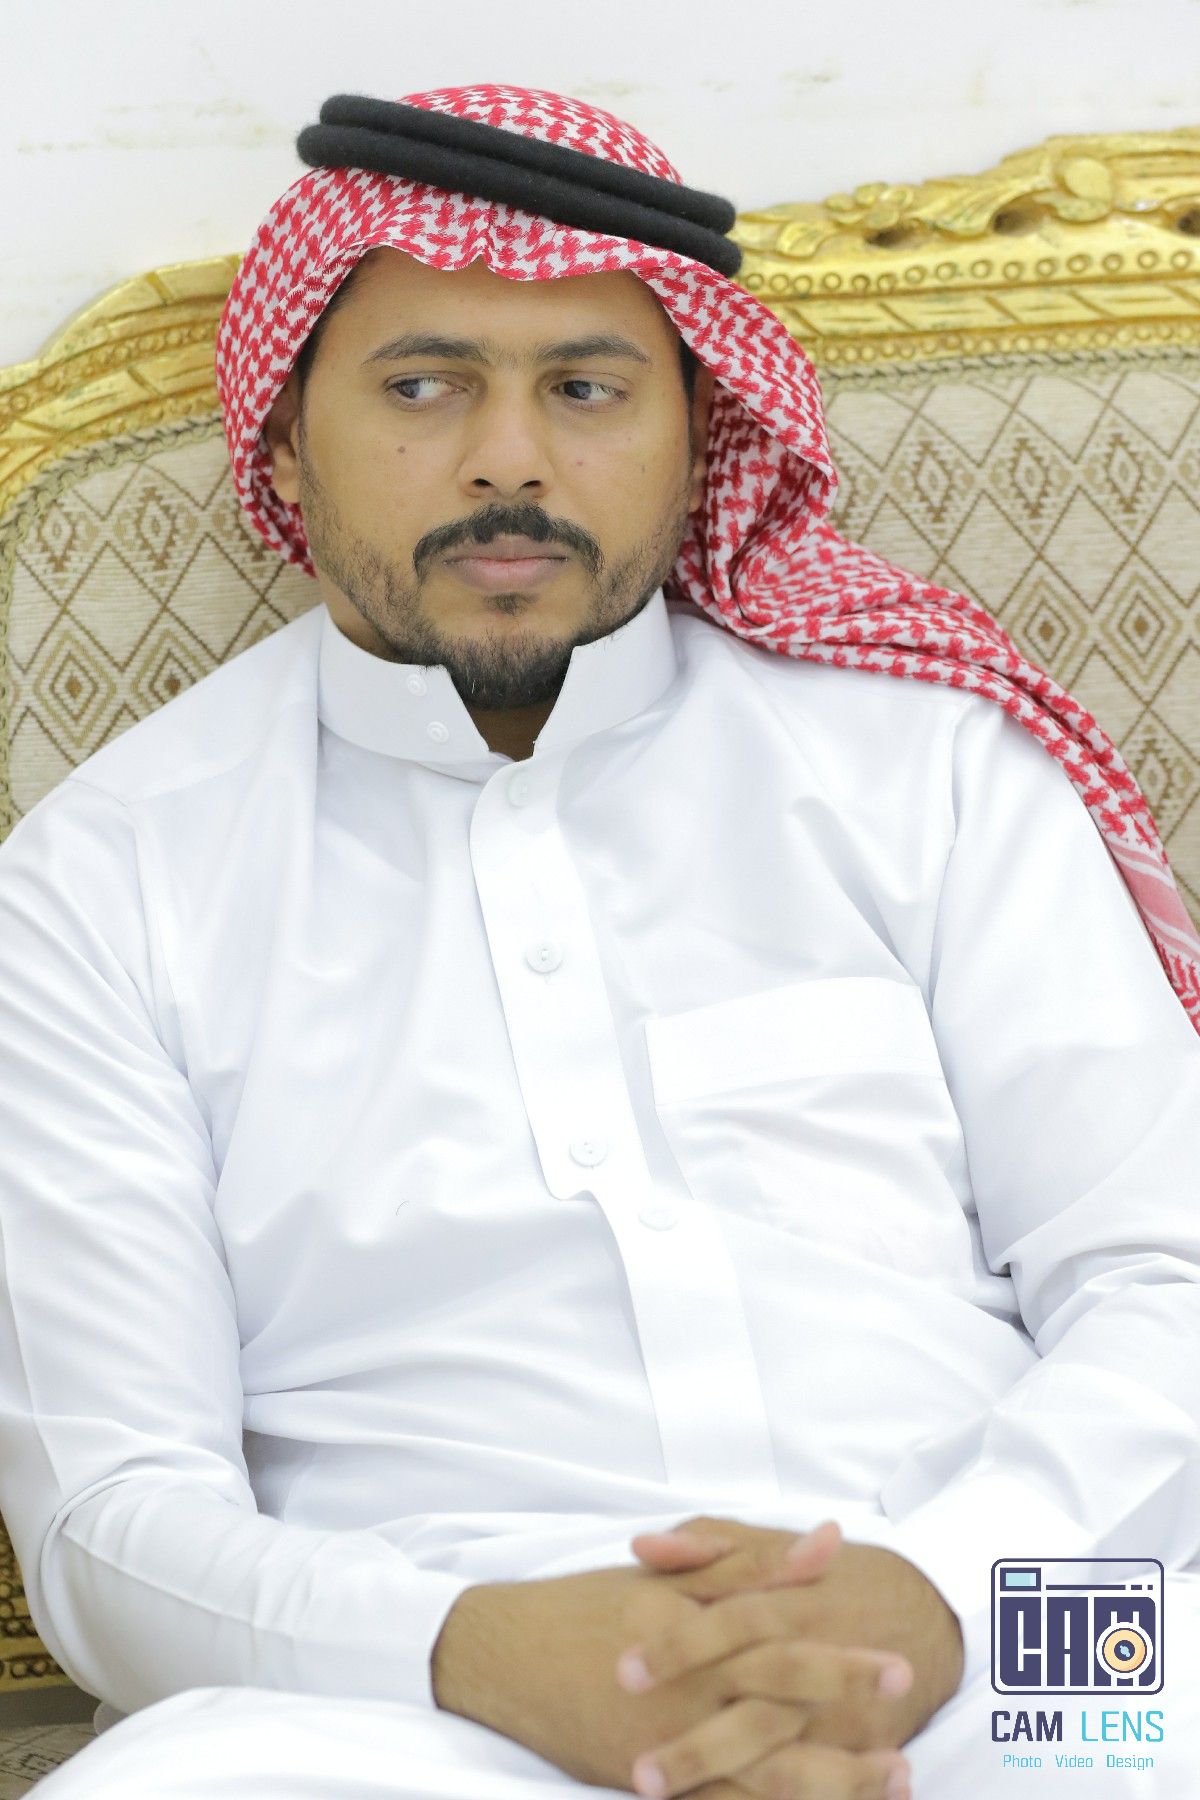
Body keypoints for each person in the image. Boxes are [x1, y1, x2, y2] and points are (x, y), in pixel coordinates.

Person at [0, 82, 1197, 1800]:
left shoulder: (927, 766)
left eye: (585, 388)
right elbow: (113, 1514)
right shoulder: (105, 880)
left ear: (697, 437)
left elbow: (1165, 1278)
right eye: (423, 387)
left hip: (1000, 1644)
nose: (509, 458)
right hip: (420, 1710)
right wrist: (476, 1649)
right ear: (280, 443)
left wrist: (944, 1596)